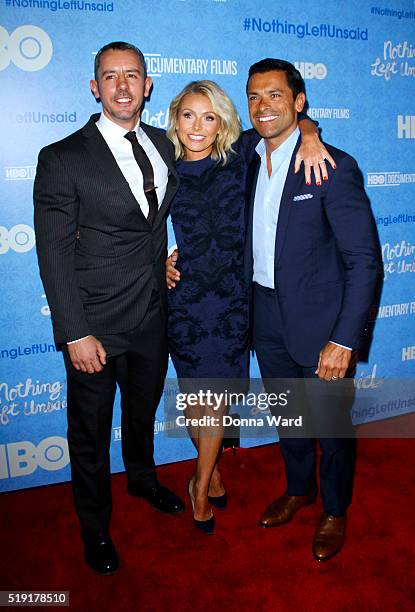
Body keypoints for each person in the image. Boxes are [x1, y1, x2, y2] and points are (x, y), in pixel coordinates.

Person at [33, 41, 185, 575]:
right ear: (95, 88)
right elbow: (53, 250)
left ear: (148, 85)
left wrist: (309, 131)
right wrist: (73, 331)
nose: (123, 86)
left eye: (133, 75)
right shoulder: (63, 156)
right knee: (91, 435)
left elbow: (228, 164)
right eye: (110, 76)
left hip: (152, 314)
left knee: (141, 414)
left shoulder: (168, 144)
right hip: (94, 322)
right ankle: (95, 529)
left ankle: (143, 480)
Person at [166, 80, 335, 535]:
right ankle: (213, 469)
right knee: (194, 398)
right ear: (175, 119)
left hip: (230, 303)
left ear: (221, 121)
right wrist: (158, 262)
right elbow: (136, 226)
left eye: (208, 117)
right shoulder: (163, 166)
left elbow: (282, 121)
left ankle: (198, 485)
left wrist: (312, 133)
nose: (197, 126)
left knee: (216, 398)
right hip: (184, 302)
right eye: (188, 116)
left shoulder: (240, 157)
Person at [244, 58, 381, 561]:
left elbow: (364, 261)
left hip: (322, 322)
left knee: (330, 426)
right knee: (289, 417)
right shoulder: (245, 155)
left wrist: (344, 339)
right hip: (265, 317)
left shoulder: (330, 167)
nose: (263, 106)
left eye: (276, 95)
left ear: (299, 101)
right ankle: (299, 490)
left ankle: (335, 509)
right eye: (255, 96)